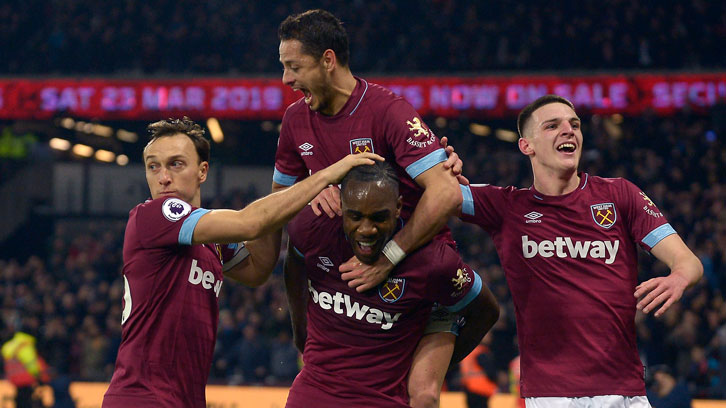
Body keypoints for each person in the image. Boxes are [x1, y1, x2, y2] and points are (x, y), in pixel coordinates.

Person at [101, 117, 382, 408]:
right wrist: (324, 177)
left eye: (176, 164)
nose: (163, 177)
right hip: (142, 397)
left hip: (183, 399)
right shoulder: (154, 215)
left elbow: (258, 269)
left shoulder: (209, 238)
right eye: (153, 166)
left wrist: (283, 188)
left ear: (202, 171)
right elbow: (250, 223)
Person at [451, 95, 703, 406]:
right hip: (550, 395)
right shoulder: (506, 206)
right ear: (526, 146)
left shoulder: (620, 195)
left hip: (623, 392)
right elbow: (433, 189)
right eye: (552, 126)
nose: (569, 131)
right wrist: (445, 168)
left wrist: (678, 277)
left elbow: (688, 261)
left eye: (575, 124)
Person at [273, 10, 469, 405]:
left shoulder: (388, 111)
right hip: (353, 273)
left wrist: (391, 257)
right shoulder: (295, 120)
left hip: (415, 269)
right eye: (283, 67)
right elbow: (275, 206)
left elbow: (447, 193)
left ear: (328, 60)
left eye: (294, 67)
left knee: (423, 396)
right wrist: (314, 189)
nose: (286, 80)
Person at [283, 161, 499, 407]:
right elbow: (294, 261)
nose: (366, 230)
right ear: (342, 205)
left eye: (378, 217)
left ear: (398, 208)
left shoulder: (433, 263)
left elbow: (486, 311)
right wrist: (300, 331)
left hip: (384, 400)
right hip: (311, 396)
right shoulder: (312, 226)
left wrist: (433, 365)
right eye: (355, 216)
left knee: (425, 398)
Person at [1, 320, 50, 408]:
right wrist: (39, 377)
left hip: (13, 378)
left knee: (19, 399)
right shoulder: (25, 345)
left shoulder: (9, 346)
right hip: (26, 379)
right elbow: (31, 363)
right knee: (26, 401)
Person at [459, 333, 497, 408]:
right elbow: (490, 372)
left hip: (469, 388)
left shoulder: (468, 352)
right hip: (481, 389)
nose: (490, 337)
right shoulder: (481, 353)